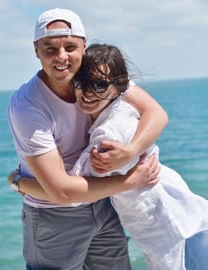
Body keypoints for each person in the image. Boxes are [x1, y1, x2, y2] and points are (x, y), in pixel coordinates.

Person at [11, 43, 208, 270]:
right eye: (80, 82)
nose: (87, 92)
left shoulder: (107, 136)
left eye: (99, 85)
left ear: (119, 88)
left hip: (167, 229)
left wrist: (18, 182)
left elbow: (68, 192)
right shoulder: (123, 108)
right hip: (179, 208)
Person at [7, 8, 168, 270]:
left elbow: (156, 112)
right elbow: (61, 191)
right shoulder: (28, 105)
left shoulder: (97, 78)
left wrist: (131, 150)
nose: (61, 57)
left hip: (104, 203)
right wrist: (130, 180)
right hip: (54, 216)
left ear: (84, 46)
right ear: (36, 50)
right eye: (50, 48)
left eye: (70, 47)